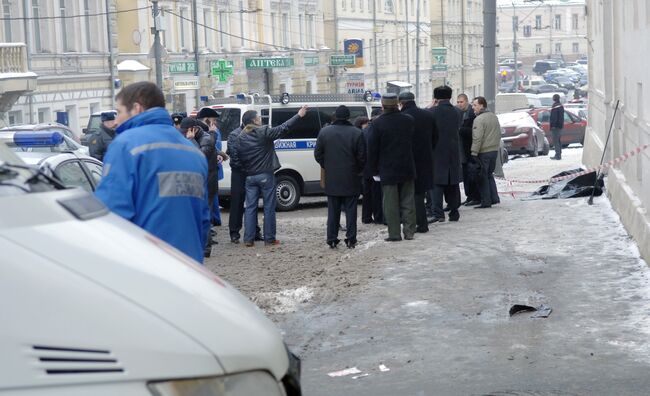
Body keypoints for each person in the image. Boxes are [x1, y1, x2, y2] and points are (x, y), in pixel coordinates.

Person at [95, 81, 210, 264]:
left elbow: (112, 216)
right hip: (190, 267)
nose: (116, 121)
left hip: (145, 267)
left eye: (119, 112)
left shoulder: (126, 145)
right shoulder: (193, 153)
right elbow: (203, 219)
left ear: (136, 108)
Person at [232, 105, 308, 246]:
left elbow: (237, 158)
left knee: (250, 208)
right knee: (269, 207)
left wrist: (247, 170)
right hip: (265, 175)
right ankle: (270, 238)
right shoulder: (263, 132)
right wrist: (299, 115)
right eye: (259, 117)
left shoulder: (240, 137)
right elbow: (283, 128)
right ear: (254, 120)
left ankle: (248, 239)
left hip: (249, 176)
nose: (261, 119)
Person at [315, 105, 366, 249]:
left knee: (333, 210)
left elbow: (317, 154)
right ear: (348, 117)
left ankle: (331, 238)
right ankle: (351, 239)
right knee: (351, 210)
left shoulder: (324, 132)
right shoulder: (357, 133)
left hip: (332, 178)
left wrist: (327, 166)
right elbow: (362, 157)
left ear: (335, 116)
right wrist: (358, 170)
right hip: (351, 177)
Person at [367, 93, 417, 242]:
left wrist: (373, 169)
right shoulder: (408, 120)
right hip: (407, 166)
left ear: (382, 106)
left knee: (390, 202)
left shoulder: (377, 124)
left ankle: (394, 233)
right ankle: (409, 232)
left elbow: (372, 149)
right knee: (408, 201)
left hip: (387, 168)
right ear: (397, 104)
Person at [398, 91, 436, 233]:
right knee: (420, 193)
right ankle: (423, 223)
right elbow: (435, 137)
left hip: (407, 160)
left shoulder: (402, 118)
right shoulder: (427, 115)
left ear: (401, 103)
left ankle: (414, 223)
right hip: (425, 159)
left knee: (408, 195)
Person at [428, 86, 463, 223]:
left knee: (436, 183)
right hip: (453, 151)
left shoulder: (432, 112)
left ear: (435, 98)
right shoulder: (457, 112)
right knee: (453, 183)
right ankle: (454, 212)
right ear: (450, 96)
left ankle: (438, 213)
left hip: (436, 151)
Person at [226, 119, 262, 244]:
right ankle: (234, 233)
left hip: (251, 171)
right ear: (251, 121)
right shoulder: (234, 134)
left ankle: (255, 231)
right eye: (257, 118)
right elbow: (234, 157)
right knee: (237, 203)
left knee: (252, 203)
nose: (259, 120)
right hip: (239, 173)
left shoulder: (255, 132)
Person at [471, 96, 502, 209]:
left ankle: (486, 201)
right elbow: (499, 132)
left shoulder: (478, 120)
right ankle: (494, 198)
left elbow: (477, 138)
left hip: (483, 152)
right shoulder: (493, 117)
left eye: (475, 105)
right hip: (493, 150)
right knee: (489, 175)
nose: (473, 107)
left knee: (482, 177)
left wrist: (474, 152)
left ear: (481, 105)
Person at [456, 93, 481, 206]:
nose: (459, 104)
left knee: (472, 175)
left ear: (466, 101)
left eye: (461, 102)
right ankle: (469, 196)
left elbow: (474, 132)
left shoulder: (472, 114)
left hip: (470, 149)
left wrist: (461, 130)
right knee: (466, 175)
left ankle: (475, 196)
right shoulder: (460, 113)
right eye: (458, 102)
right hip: (463, 149)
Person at [361, 109, 384, 225]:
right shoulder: (377, 129)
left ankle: (366, 217)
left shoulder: (365, 130)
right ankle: (379, 217)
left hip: (366, 167)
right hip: (375, 167)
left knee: (367, 194)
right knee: (377, 194)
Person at [549, 93, 565, 160]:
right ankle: (559, 154)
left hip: (555, 126)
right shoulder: (561, 106)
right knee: (558, 140)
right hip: (560, 126)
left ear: (554, 98)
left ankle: (558, 155)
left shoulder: (555, 106)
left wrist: (553, 125)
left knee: (556, 141)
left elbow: (554, 117)